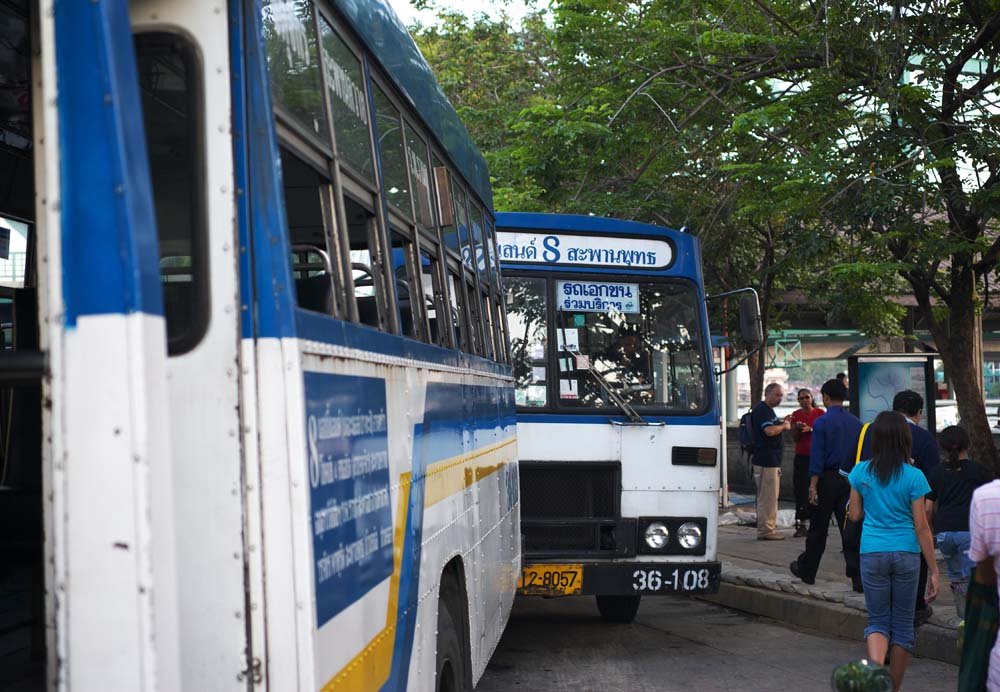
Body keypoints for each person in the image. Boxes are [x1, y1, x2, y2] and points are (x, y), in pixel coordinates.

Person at [847, 411, 939, 692]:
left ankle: (876, 679)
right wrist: (934, 570)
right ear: (904, 439)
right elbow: (922, 527)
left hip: (872, 552)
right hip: (906, 554)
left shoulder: (861, 471)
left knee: (876, 622)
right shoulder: (914, 476)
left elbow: (854, 516)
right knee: (902, 625)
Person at [790, 379, 861, 585]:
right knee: (849, 526)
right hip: (850, 479)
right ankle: (857, 577)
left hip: (826, 479)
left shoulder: (822, 422)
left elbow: (817, 457)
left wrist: (812, 485)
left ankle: (807, 570)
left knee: (818, 528)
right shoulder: (856, 422)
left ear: (826, 397)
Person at [926, 425, 991, 618]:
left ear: (943, 447)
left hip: (944, 533)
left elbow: (928, 508)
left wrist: (930, 533)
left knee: (956, 578)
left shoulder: (937, 472)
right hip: (970, 531)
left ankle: (963, 620)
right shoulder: (979, 471)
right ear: (967, 444)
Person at [751, 382, 791, 540]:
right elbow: (769, 431)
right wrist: (784, 426)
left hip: (770, 460)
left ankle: (768, 528)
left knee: (770, 496)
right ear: (767, 393)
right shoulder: (763, 411)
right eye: (777, 395)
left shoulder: (768, 411)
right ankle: (766, 530)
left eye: (781, 396)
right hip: (766, 461)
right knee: (767, 497)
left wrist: (781, 423)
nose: (780, 398)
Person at [790, 388, 825, 538]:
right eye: (801, 398)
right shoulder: (796, 415)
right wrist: (798, 429)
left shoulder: (819, 413)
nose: (804, 400)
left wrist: (811, 429)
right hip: (802, 456)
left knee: (820, 490)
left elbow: (825, 433)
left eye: (807, 397)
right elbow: (794, 437)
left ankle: (818, 523)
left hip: (817, 456)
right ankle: (802, 523)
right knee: (801, 489)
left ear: (811, 398)